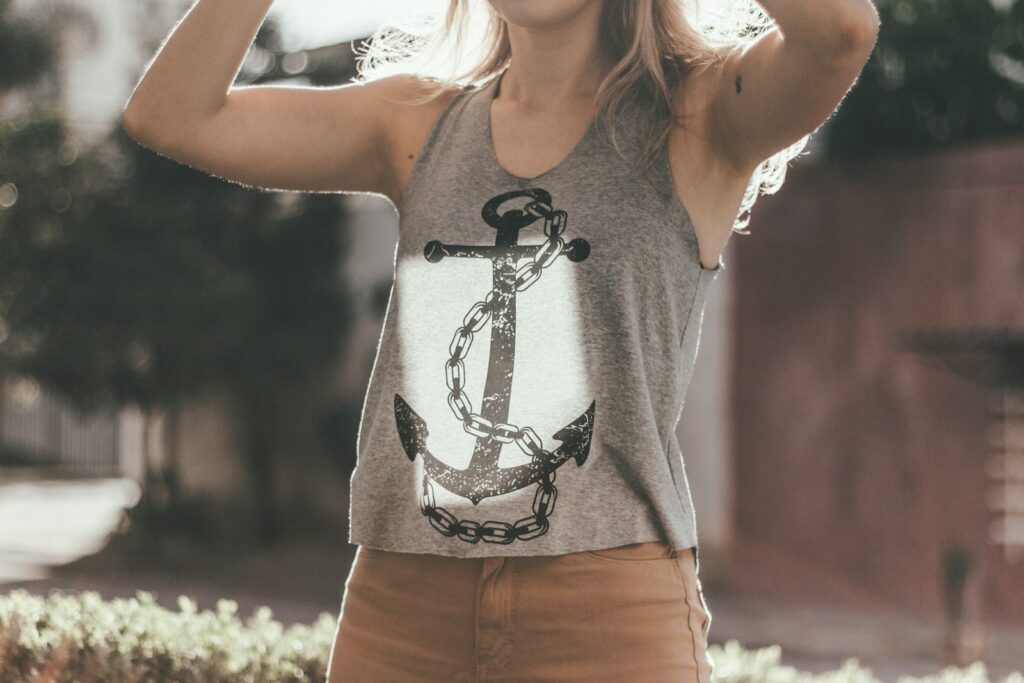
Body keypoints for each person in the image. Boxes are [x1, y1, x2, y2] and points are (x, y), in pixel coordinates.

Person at [121, 0, 879, 680]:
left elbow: (842, 32)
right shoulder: (416, 122)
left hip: (607, 614)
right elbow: (172, 114)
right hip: (401, 606)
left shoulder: (698, 117)